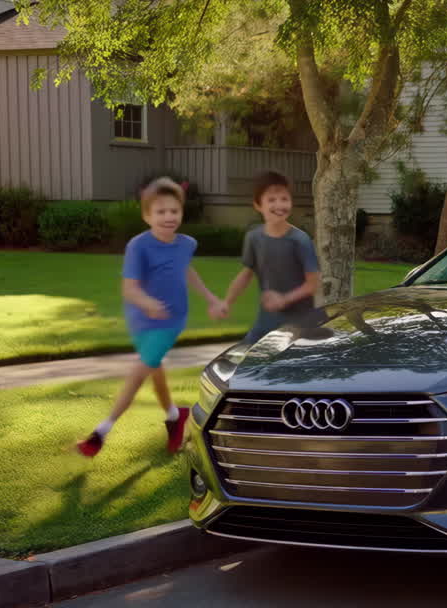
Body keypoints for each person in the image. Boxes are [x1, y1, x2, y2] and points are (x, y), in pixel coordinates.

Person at [77, 178, 227, 457]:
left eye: (174, 211)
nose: (168, 217)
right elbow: (129, 289)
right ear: (147, 216)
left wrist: (211, 299)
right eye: (160, 212)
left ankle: (101, 432)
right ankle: (174, 416)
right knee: (154, 369)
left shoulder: (186, 244)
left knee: (138, 373)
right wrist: (147, 302)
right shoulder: (138, 246)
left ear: (181, 212)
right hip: (140, 318)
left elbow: (186, 270)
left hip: (170, 320)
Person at [223, 170, 321, 344]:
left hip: (299, 323)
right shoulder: (254, 237)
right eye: (272, 200)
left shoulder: (299, 240)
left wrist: (284, 299)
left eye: (284, 199)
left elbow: (313, 284)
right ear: (258, 205)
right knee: (244, 362)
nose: (279, 205)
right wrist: (227, 303)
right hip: (266, 321)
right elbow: (246, 274)